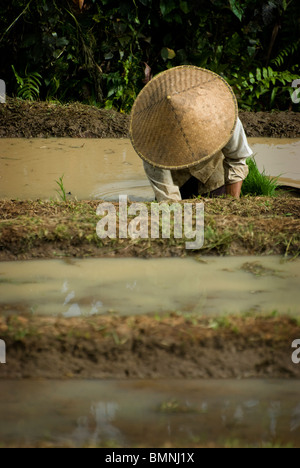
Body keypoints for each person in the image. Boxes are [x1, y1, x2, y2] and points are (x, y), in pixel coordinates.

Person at [129, 65, 253, 201]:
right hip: (178, 182)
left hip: (213, 177)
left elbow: (236, 158)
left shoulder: (223, 115)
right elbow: (166, 193)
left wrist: (232, 203)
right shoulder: (150, 136)